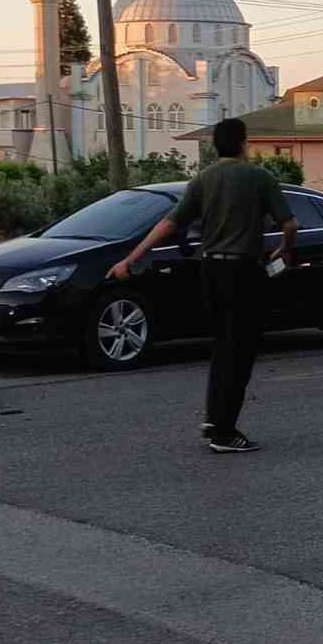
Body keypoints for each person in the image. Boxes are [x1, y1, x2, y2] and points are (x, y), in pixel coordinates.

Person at [109, 117, 297, 453]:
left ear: (215, 145)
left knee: (222, 346)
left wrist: (130, 259)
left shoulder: (203, 179)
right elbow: (290, 224)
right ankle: (224, 433)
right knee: (240, 351)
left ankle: (214, 419)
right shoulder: (260, 178)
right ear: (244, 143)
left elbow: (168, 224)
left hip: (210, 270)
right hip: (243, 272)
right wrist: (285, 249)